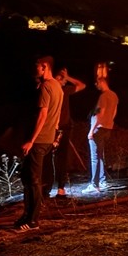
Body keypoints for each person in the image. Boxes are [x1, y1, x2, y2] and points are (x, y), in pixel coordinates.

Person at [14, 55, 63, 231]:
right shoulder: (57, 86)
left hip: (39, 140)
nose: (34, 69)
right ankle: (26, 215)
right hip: (47, 138)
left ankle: (33, 220)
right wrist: (55, 135)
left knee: (33, 179)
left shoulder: (46, 87)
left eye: (37, 66)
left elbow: (43, 115)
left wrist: (30, 140)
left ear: (44, 66)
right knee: (27, 177)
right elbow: (56, 115)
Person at [50, 67, 88, 197]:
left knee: (62, 158)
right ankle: (46, 187)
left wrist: (68, 77)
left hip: (64, 127)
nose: (61, 81)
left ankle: (61, 188)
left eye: (62, 80)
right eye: (59, 78)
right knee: (48, 157)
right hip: (51, 128)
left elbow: (82, 85)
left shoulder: (65, 90)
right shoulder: (50, 91)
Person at [85, 65, 119, 194]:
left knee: (95, 157)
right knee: (100, 156)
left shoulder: (103, 97)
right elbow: (114, 112)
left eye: (96, 83)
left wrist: (91, 130)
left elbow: (100, 113)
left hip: (98, 130)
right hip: (107, 128)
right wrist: (109, 122)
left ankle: (94, 184)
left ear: (101, 82)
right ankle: (102, 181)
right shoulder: (114, 96)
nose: (96, 85)